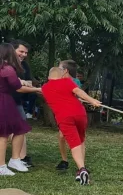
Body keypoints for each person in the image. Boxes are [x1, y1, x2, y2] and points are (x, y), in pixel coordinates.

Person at [40, 66, 102, 185]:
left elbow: (44, 91)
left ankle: (82, 169)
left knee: (74, 143)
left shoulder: (45, 88)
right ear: (62, 75)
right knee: (81, 140)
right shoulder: (67, 81)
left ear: (49, 77)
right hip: (79, 114)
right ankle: (81, 168)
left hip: (64, 117)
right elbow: (78, 91)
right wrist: (91, 100)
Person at [0, 43, 42, 176]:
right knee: (3, 134)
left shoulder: (5, 68)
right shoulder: (7, 69)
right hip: (4, 101)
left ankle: (15, 159)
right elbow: (18, 87)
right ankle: (2, 166)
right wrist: (37, 89)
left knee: (19, 128)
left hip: (7, 101)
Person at [55, 60, 84, 172]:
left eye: (59, 67)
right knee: (62, 136)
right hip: (64, 114)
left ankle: (81, 166)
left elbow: (77, 94)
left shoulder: (75, 81)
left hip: (75, 113)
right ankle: (64, 160)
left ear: (65, 70)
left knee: (80, 138)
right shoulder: (58, 81)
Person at [11, 41, 35, 168]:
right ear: (12, 50)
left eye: (26, 52)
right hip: (4, 100)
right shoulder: (5, 64)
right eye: (21, 51)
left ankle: (21, 157)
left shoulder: (25, 65)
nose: (24, 54)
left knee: (21, 127)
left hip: (16, 101)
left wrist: (27, 84)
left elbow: (29, 82)